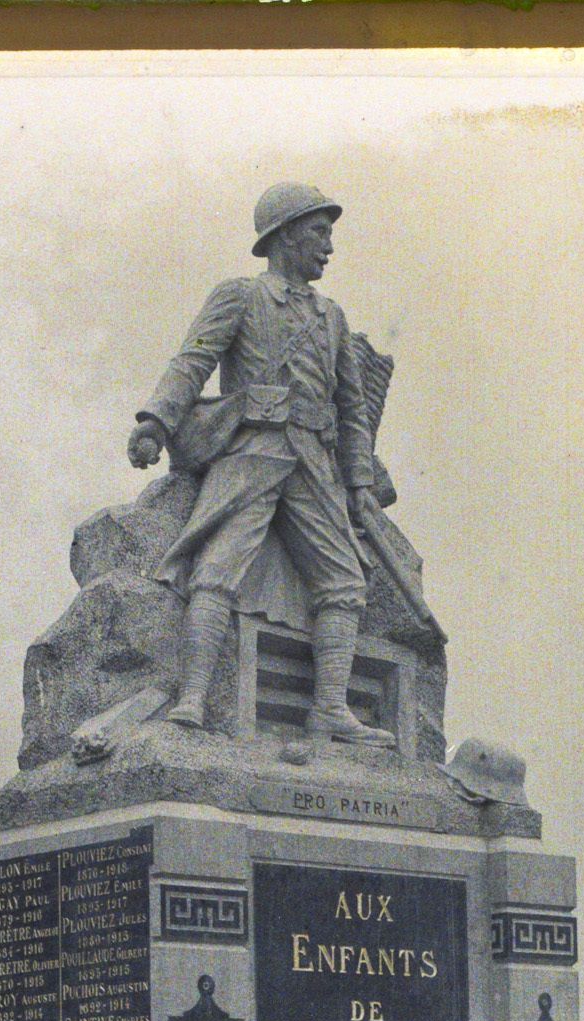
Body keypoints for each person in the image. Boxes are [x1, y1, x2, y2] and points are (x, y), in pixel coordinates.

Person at [127, 181, 394, 747]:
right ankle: (193, 698)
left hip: (313, 462)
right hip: (252, 452)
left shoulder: (331, 317)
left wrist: (360, 484)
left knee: (344, 581)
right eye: (319, 233)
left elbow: (352, 410)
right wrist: (156, 422)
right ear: (286, 235)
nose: (329, 247)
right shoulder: (241, 297)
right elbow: (193, 360)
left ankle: (330, 709)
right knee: (215, 570)